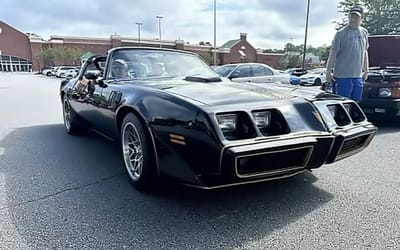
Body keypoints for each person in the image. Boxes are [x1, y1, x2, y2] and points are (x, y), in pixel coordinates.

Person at [326, 6, 369, 102]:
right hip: (342, 76)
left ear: (362, 18)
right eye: (351, 17)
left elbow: (365, 52)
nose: (353, 19)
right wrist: (328, 72)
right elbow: (333, 54)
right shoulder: (340, 33)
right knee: (342, 103)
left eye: (356, 17)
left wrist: (366, 70)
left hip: (357, 76)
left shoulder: (364, 32)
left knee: (355, 103)